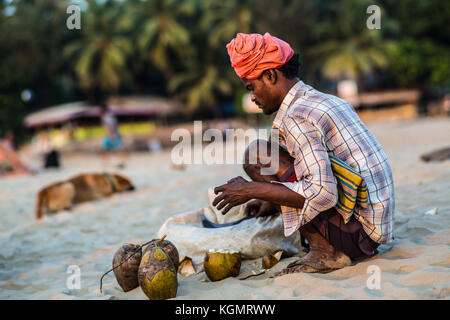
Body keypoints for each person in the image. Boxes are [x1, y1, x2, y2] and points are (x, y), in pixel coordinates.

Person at [213, 33, 395, 275]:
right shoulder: (323, 100)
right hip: (373, 227)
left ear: (270, 75)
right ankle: (326, 243)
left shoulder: (297, 117)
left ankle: (326, 252)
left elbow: (322, 193)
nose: (253, 97)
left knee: (257, 155)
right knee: (266, 152)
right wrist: (270, 198)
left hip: (357, 235)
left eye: (251, 87)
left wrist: (250, 189)